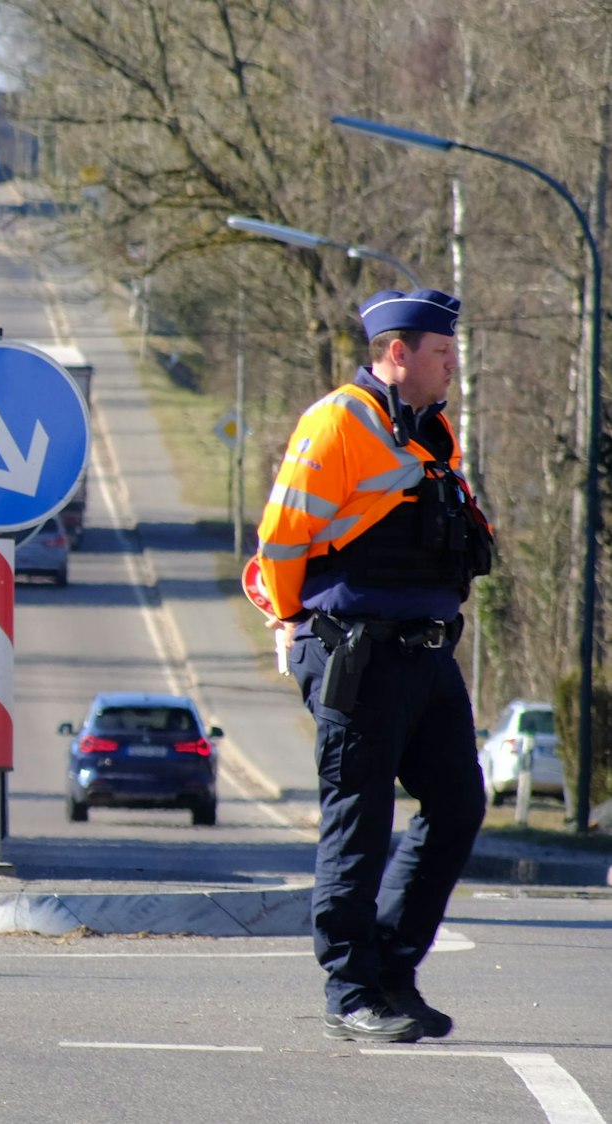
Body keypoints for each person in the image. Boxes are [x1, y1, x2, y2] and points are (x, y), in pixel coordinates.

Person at [251, 288, 494, 1043]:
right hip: (356, 650)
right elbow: (280, 542)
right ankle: (350, 990)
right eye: (441, 352)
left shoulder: (434, 433)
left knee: (458, 803)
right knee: (360, 820)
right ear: (398, 353)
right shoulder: (337, 423)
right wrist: (293, 624)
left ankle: (391, 970)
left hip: (427, 651)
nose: (452, 365)